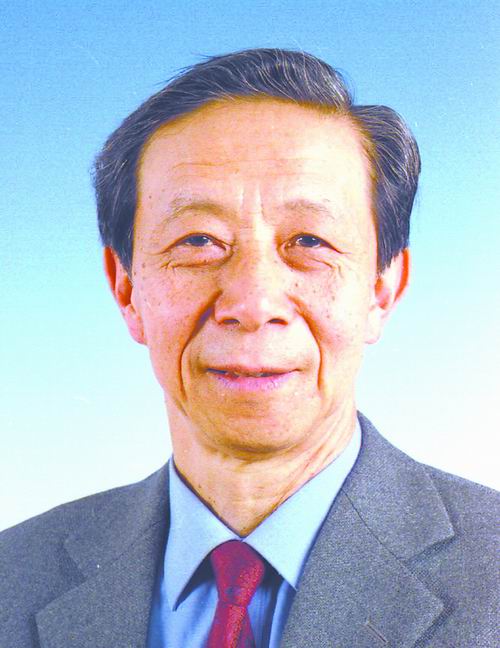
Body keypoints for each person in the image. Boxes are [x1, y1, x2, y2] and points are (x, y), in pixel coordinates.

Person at [0, 48, 498, 648]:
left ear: (381, 289)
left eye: (309, 240)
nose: (253, 301)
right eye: (198, 240)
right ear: (126, 288)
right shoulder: (12, 577)